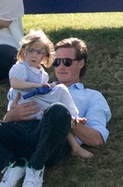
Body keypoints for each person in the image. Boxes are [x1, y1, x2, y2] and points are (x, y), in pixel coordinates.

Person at [0, 37, 111, 187]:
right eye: (56, 62)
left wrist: (70, 122)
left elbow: (97, 139)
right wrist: (10, 116)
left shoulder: (92, 96)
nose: (60, 67)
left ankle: (36, 166)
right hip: (16, 134)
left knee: (58, 110)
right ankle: (9, 165)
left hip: (47, 141)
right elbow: (9, 115)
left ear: (80, 63)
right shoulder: (36, 85)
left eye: (66, 62)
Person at [8, 30, 92, 160]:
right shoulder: (21, 67)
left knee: (59, 96)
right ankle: (73, 120)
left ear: (45, 57)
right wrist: (36, 85)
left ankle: (74, 135)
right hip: (24, 103)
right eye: (31, 50)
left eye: (39, 52)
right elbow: (15, 84)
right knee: (60, 94)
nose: (34, 55)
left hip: (36, 100)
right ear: (23, 50)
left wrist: (46, 87)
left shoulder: (42, 73)